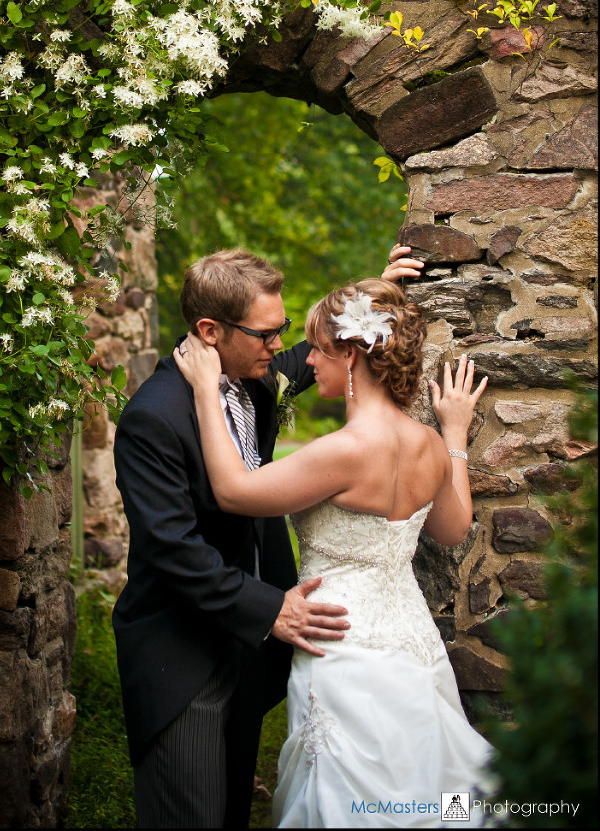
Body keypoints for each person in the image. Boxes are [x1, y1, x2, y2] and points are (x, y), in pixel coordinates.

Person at [112, 243, 424, 830]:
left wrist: (373, 299)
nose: (278, 346)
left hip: (245, 641)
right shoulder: (153, 417)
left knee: (229, 807)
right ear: (210, 330)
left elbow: (322, 359)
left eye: (280, 329)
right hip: (183, 653)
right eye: (265, 334)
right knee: (191, 811)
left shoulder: (249, 379)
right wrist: (269, 607)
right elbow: (172, 548)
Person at [175, 278, 492, 830]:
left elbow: (232, 491)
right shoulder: (428, 445)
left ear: (350, 355)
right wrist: (455, 434)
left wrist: (205, 389)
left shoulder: (342, 453)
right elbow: (452, 527)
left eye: (320, 349)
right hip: (413, 646)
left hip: (341, 649)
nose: (308, 362)